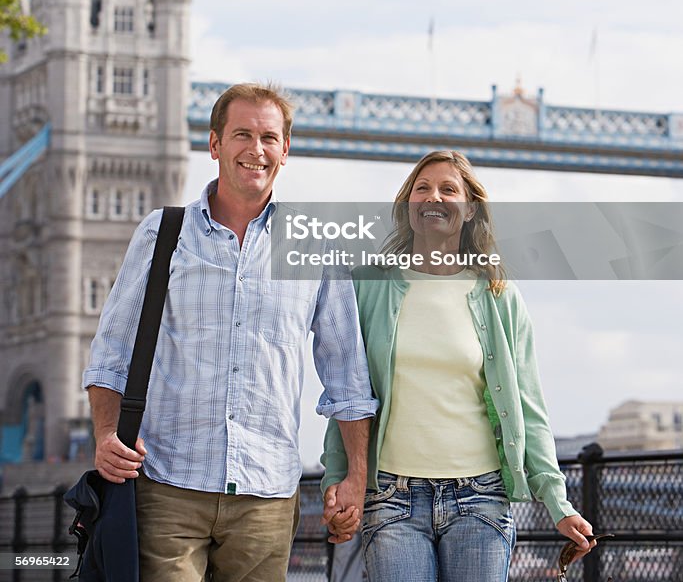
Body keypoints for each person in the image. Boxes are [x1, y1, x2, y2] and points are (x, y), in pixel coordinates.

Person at [84, 82, 376, 582]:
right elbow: (112, 348)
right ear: (215, 144)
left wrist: (355, 476)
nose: (255, 149)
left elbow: (346, 372)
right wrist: (106, 433)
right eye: (242, 134)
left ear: (286, 150)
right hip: (168, 482)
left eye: (268, 137)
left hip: (266, 492)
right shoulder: (162, 233)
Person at [322, 149, 595, 581]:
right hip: (392, 498)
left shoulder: (499, 295)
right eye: (422, 188)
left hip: (481, 499)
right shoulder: (368, 287)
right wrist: (338, 482)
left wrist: (557, 503)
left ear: (470, 210)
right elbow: (347, 393)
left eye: (449, 189)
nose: (434, 197)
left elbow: (528, 407)